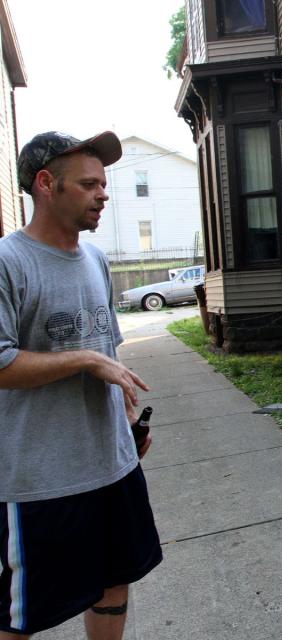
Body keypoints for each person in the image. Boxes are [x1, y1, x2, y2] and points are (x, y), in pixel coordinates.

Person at [0, 132, 163, 639]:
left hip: (110, 465)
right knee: (21, 614)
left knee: (115, 583)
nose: (103, 194)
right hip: (40, 477)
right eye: (89, 184)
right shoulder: (9, 261)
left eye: (105, 183)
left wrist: (129, 421)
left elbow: (107, 352)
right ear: (47, 184)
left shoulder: (95, 260)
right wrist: (85, 360)